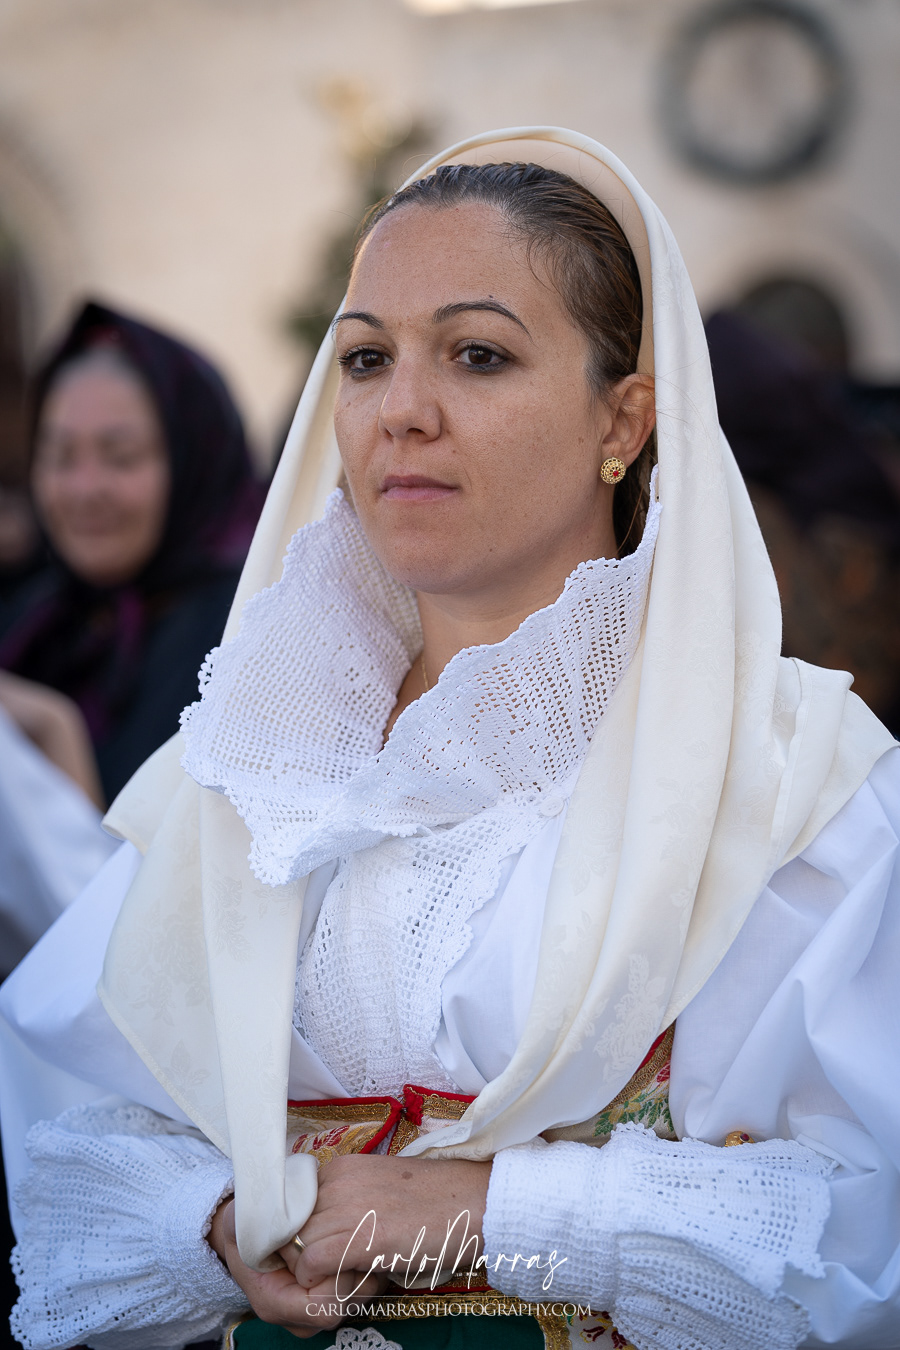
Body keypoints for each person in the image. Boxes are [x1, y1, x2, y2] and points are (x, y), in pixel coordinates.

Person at [2, 128, 899, 1350]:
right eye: (366, 359)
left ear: (625, 419)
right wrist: (212, 1222)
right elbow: (61, 1134)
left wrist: (498, 1215)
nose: (402, 413)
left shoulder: (788, 782)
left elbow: (867, 1230)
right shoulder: (245, 771)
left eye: (479, 355)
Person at [0, 301, 263, 803]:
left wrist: (55, 734)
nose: (85, 489)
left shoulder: (249, 644)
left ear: (194, 462)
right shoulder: (33, 625)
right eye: (60, 456)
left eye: (121, 457)